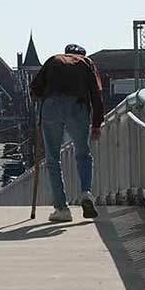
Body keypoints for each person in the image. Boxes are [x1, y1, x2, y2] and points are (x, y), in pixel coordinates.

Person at [29, 43, 104, 223]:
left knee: (53, 159)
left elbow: (34, 88)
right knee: (83, 154)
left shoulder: (54, 60)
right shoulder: (87, 64)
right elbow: (97, 94)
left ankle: (62, 209)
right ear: (82, 54)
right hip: (78, 106)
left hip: (52, 106)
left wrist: (40, 99)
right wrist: (96, 124)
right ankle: (86, 192)